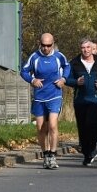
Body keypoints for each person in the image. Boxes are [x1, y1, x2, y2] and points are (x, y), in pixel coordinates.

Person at [20, 33, 71, 169]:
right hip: (39, 96)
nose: (46, 48)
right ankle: (46, 154)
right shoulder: (34, 57)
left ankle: (53, 155)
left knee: (53, 125)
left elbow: (67, 67)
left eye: (49, 46)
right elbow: (23, 71)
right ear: (40, 44)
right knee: (41, 128)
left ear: (53, 44)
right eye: (43, 45)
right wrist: (32, 80)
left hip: (55, 94)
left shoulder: (59, 56)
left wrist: (63, 79)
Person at [65, 38, 97, 166]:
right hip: (80, 100)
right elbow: (66, 79)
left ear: (93, 49)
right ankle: (87, 153)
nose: (86, 50)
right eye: (83, 48)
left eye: (88, 47)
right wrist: (76, 82)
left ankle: (94, 147)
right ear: (80, 48)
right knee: (83, 128)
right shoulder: (74, 63)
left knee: (92, 124)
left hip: (95, 99)